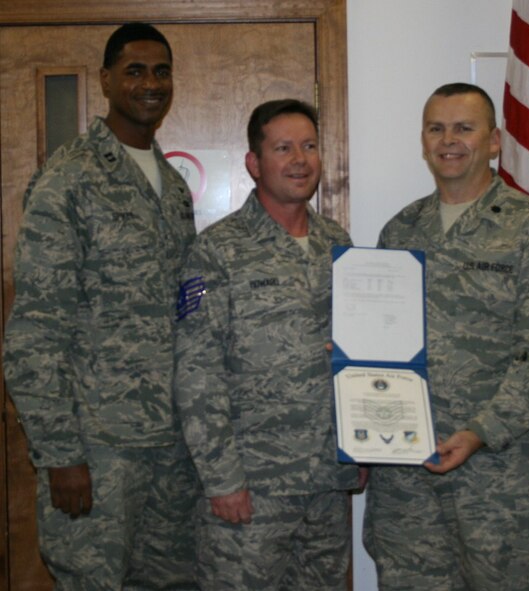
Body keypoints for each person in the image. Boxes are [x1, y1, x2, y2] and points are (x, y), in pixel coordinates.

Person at [3, 23, 198, 590]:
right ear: (107, 80)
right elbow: (36, 328)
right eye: (134, 70)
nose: (150, 83)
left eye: (161, 70)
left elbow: (185, 309)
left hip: (171, 448)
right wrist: (59, 452)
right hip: (98, 452)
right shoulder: (70, 179)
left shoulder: (172, 187)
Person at [363, 83, 529, 590]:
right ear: (423, 140)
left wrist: (479, 432)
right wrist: (354, 360)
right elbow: (380, 341)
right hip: (408, 481)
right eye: (436, 128)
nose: (448, 140)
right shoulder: (400, 231)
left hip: (501, 481)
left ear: (494, 140)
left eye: (464, 127)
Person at [174, 99, 360, 590]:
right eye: (283, 148)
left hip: (326, 486)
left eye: (309, 146)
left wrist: (363, 447)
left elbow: (361, 355)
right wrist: (222, 479)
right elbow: (197, 373)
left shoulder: (338, 244)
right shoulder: (217, 251)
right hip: (252, 490)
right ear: (254, 164)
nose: (300, 159)